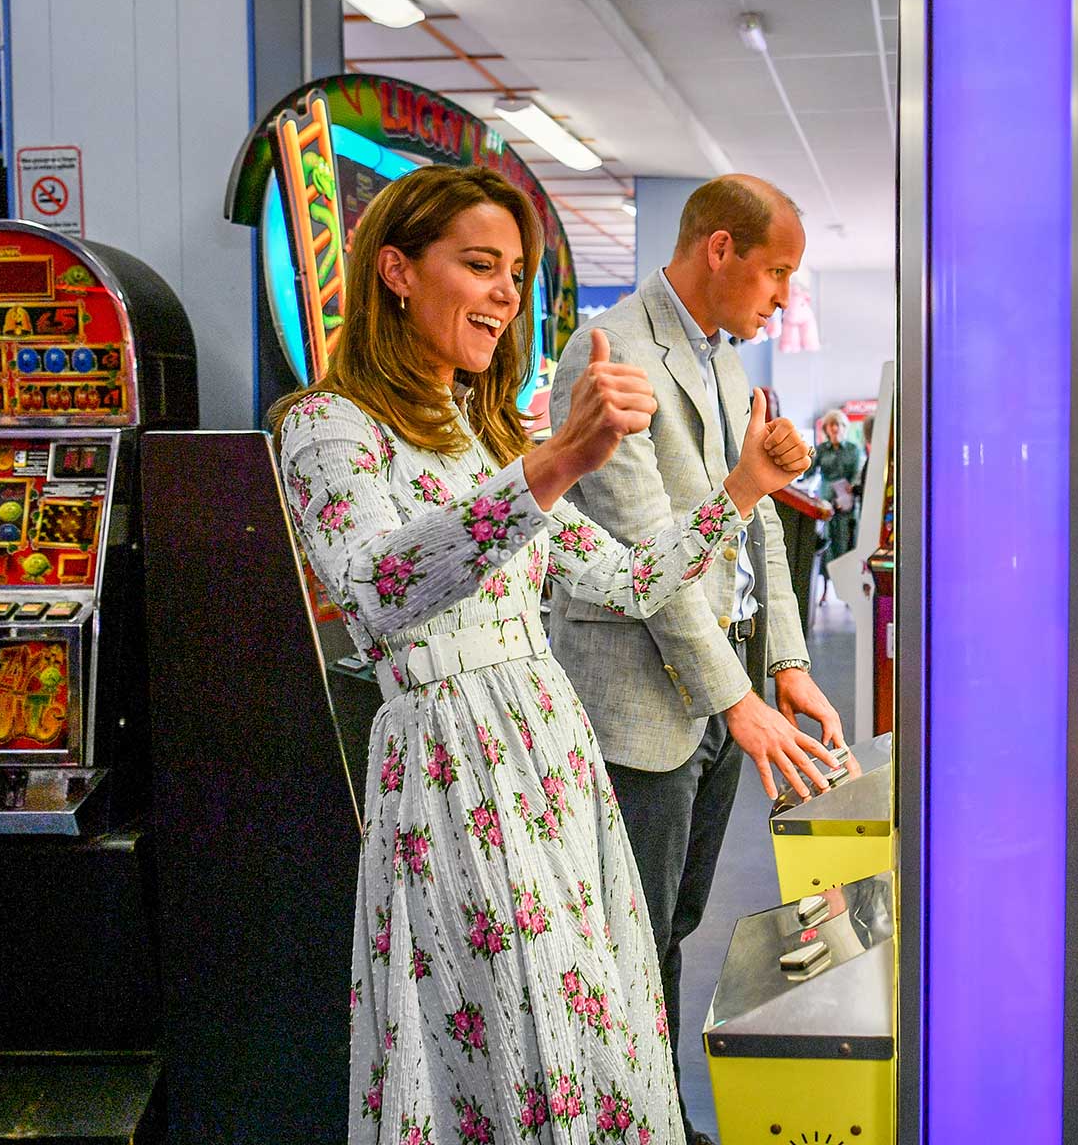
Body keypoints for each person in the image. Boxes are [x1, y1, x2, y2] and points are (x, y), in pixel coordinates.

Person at [271, 165, 811, 1145]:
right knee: (495, 1040)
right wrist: (556, 462)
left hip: (550, 764)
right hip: (451, 771)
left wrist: (742, 488)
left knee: (584, 1033)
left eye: (515, 275)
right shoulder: (324, 428)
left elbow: (633, 580)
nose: (503, 295)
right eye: (480, 265)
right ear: (396, 270)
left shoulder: (483, 447)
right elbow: (379, 592)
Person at [548, 175, 855, 1140]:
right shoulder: (609, 355)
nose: (782, 297)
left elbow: (749, 517)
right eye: (775, 271)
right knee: (627, 937)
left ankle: (649, 1113)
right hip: (640, 695)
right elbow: (647, 554)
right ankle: (633, 1120)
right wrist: (735, 701)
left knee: (675, 922)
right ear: (718, 249)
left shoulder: (724, 360)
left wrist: (788, 663)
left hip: (723, 683)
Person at [806, 409, 866, 568]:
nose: (835, 428)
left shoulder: (853, 449)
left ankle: (845, 578)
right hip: (825, 501)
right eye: (832, 425)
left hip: (847, 500)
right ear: (826, 428)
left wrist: (847, 495)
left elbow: (857, 474)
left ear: (845, 428)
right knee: (826, 542)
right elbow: (809, 472)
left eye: (839, 425)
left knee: (846, 541)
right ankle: (826, 581)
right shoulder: (821, 449)